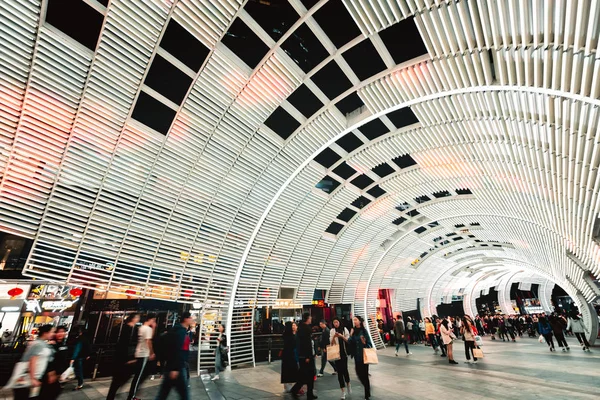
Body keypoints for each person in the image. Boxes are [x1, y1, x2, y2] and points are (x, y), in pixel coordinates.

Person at [7, 324, 55, 400]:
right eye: (52, 332)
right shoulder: (39, 344)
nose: (53, 334)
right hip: (26, 377)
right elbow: (32, 360)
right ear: (46, 333)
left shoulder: (40, 343)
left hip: (27, 377)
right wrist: (33, 378)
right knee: (22, 395)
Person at [155, 311, 193, 400]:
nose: (192, 320)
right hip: (177, 367)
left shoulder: (178, 330)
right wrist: (175, 368)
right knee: (184, 395)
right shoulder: (180, 332)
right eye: (190, 318)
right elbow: (176, 349)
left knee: (163, 394)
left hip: (173, 366)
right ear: (186, 319)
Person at [107, 313, 140, 400]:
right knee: (119, 379)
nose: (138, 319)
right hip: (123, 357)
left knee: (119, 379)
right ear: (132, 318)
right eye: (137, 317)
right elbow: (123, 344)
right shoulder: (127, 329)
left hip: (124, 357)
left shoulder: (131, 328)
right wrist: (128, 358)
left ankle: (112, 396)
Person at [128, 314, 157, 400]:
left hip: (139, 352)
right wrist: (151, 353)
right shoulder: (147, 329)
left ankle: (133, 394)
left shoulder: (141, 327)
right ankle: (131, 396)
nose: (154, 322)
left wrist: (154, 328)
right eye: (153, 320)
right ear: (150, 319)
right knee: (138, 376)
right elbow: (149, 340)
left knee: (138, 375)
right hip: (143, 353)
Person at [290, 313, 317, 400]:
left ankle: (299, 390)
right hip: (307, 356)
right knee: (308, 375)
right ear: (307, 319)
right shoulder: (306, 329)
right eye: (310, 317)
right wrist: (308, 356)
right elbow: (306, 344)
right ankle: (304, 392)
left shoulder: (301, 328)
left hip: (303, 356)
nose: (311, 319)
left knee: (304, 375)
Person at [40, 325, 69, 400]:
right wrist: (50, 372)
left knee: (55, 392)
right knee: (49, 393)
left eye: (63, 332)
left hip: (60, 374)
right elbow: (48, 360)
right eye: (58, 332)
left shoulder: (64, 344)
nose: (61, 334)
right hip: (50, 374)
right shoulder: (51, 344)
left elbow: (64, 359)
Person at [348, 316, 371, 400]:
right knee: (359, 373)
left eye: (356, 320)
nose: (354, 321)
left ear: (360, 321)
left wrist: (364, 342)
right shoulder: (354, 331)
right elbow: (349, 342)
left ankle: (367, 393)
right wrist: (350, 334)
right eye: (353, 320)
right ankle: (367, 387)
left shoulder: (364, 331)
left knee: (365, 375)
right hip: (357, 356)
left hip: (364, 356)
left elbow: (369, 344)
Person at [330, 317, 351, 399]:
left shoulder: (344, 329)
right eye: (334, 322)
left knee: (345, 370)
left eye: (337, 322)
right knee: (339, 372)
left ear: (339, 322)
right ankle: (343, 391)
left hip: (344, 353)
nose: (335, 324)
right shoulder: (332, 331)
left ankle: (348, 384)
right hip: (336, 354)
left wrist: (341, 336)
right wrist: (334, 337)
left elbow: (348, 340)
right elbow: (331, 343)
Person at [281, 322, 298, 393]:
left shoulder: (284, 335)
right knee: (292, 370)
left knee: (286, 370)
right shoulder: (292, 336)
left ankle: (286, 386)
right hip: (291, 355)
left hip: (285, 355)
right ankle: (291, 386)